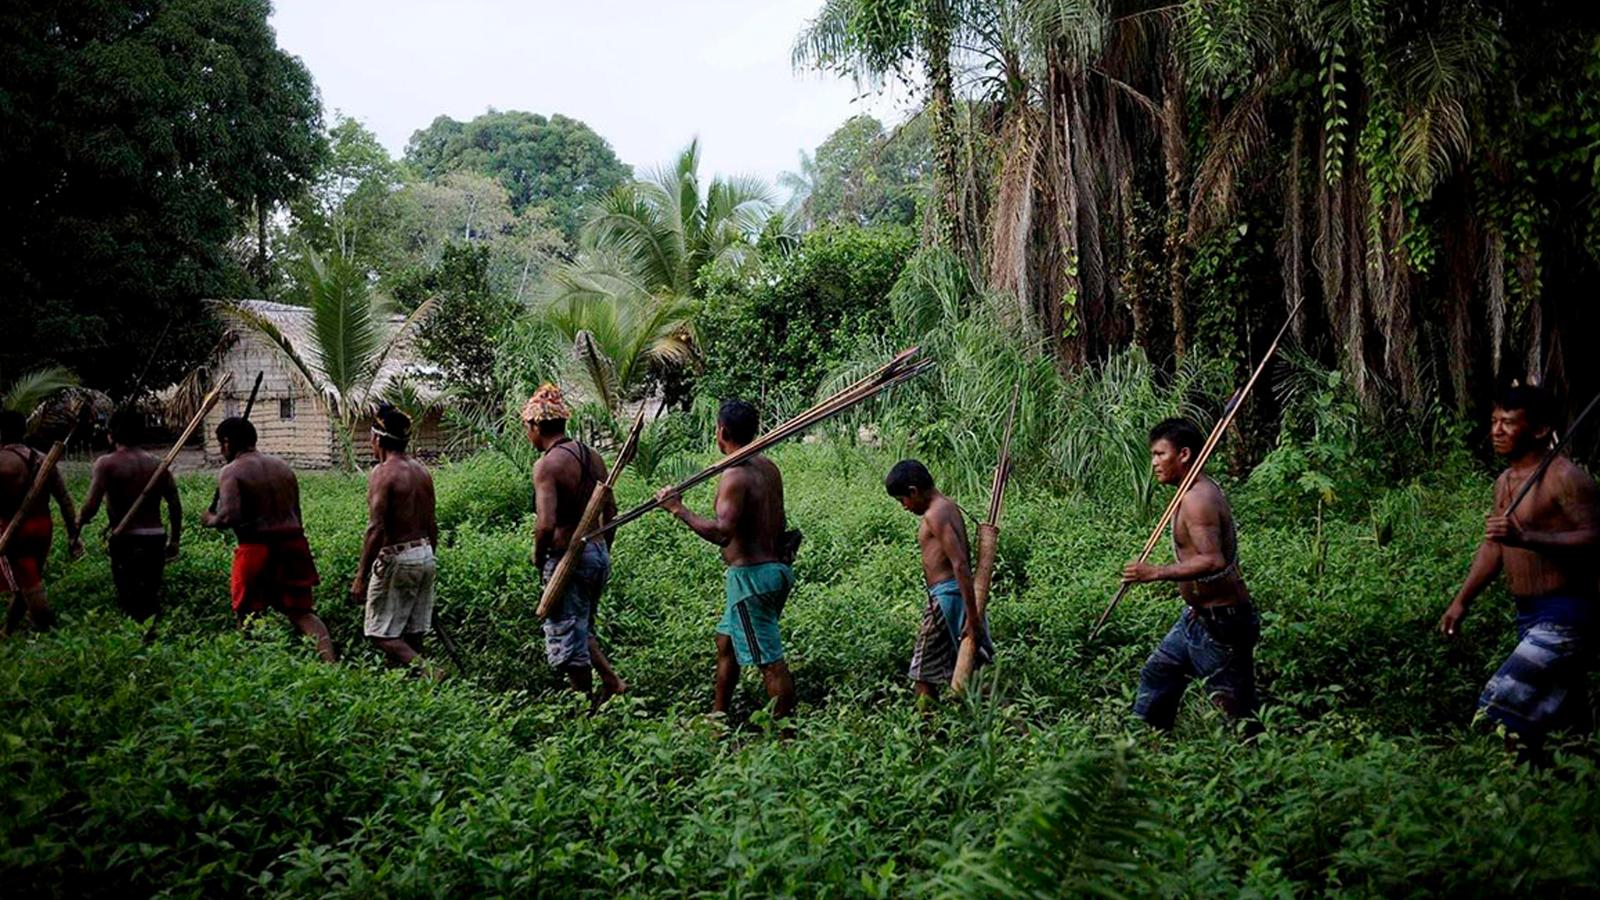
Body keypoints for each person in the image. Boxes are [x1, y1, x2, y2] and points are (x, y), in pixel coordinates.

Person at [1438, 383, 1597, 760]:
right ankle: (1551, 789)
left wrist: (1530, 537)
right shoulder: (1505, 482)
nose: (1496, 431)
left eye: (1508, 423)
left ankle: (1496, 789)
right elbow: (1495, 546)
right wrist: (1462, 602)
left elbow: (1596, 537)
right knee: (1562, 724)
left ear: (1540, 429)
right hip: (1527, 613)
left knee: (1500, 707)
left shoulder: (1564, 478)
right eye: (1494, 422)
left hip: (1568, 613)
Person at [656, 400, 798, 722]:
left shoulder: (734, 476)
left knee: (769, 662)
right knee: (727, 642)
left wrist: (679, 509)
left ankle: (789, 737)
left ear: (721, 431)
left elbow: (722, 533)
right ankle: (718, 717)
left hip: (752, 580)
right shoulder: (768, 466)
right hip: (771, 572)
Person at [1122, 418, 1259, 733]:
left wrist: (1155, 572)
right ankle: (1143, 749)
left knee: (1234, 714)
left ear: (1183, 454)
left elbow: (1213, 560)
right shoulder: (1188, 491)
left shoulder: (1198, 499)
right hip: (1196, 618)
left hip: (1222, 623)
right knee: (1158, 675)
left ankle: (1256, 769)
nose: (1154, 463)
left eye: (1160, 454)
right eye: (1153, 455)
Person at [524, 384, 627, 709]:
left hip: (569, 560)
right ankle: (612, 682)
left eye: (528, 427)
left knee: (569, 636)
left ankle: (585, 710)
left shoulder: (547, 465)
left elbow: (545, 524)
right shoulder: (591, 456)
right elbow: (610, 511)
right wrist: (602, 549)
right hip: (596, 554)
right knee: (582, 626)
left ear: (536, 427)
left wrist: (539, 558)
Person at [202, 416, 335, 662]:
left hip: (256, 548)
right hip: (293, 544)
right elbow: (297, 513)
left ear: (228, 443)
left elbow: (229, 515)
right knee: (303, 614)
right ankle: (330, 664)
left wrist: (210, 519)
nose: (221, 452)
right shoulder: (283, 467)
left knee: (247, 614)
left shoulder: (230, 471)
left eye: (221, 445)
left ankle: (249, 667)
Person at [884, 459, 991, 701]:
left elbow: (960, 564)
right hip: (951, 597)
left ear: (914, 491)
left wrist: (973, 619)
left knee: (922, 672)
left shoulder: (935, 514)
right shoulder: (947, 506)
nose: (904, 506)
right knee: (971, 669)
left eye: (903, 500)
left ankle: (927, 731)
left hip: (947, 601)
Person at [350, 405, 439, 672]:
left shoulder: (383, 473)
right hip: (424, 554)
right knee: (412, 633)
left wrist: (360, 576)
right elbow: (432, 524)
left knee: (380, 633)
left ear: (378, 439)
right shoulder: (422, 472)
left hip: (398, 556)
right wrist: (427, 559)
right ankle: (412, 688)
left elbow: (376, 528)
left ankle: (430, 672)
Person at [76, 408, 180, 630]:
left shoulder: (106, 463)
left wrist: (76, 525)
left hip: (126, 539)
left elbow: (91, 507)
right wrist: (174, 541)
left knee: (129, 596)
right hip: (155, 538)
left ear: (110, 434)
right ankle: (151, 638)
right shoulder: (157, 463)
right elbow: (174, 504)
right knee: (150, 594)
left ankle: (137, 641)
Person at [0, 410, 83, 636]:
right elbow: (64, 499)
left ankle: (47, 629)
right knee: (28, 579)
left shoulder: (3, 461)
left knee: (30, 583)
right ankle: (8, 628)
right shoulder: (42, 458)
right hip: (43, 526)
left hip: (14, 529)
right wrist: (73, 534)